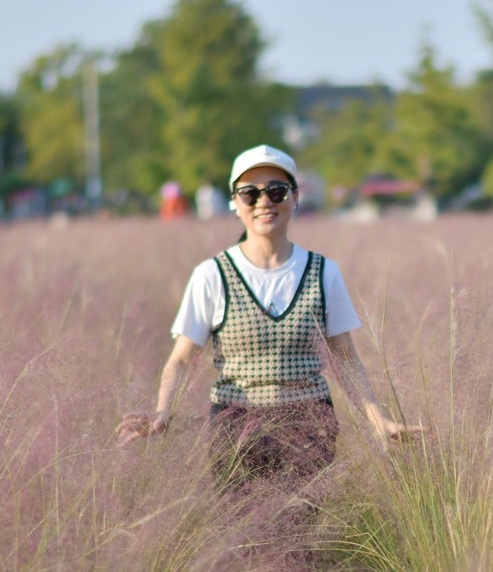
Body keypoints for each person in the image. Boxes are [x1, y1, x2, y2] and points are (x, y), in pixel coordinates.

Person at [118, 145, 420, 489]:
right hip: (236, 429)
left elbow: (345, 358)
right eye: (250, 193)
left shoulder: (324, 272)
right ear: (235, 203)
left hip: (311, 427)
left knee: (300, 534)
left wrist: (379, 420)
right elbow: (183, 359)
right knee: (244, 536)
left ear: (294, 198)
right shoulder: (212, 275)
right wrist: (162, 411)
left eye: (276, 191)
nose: (264, 201)